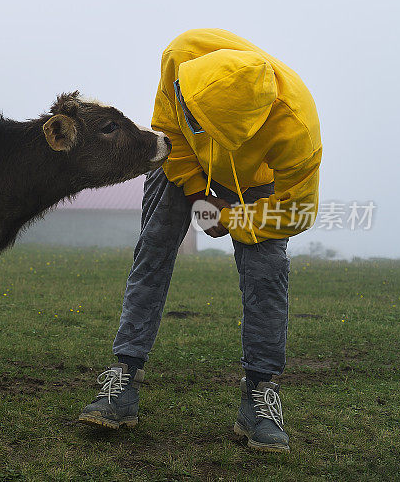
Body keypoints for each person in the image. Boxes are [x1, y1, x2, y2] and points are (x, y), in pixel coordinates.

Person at [78, 29, 322, 453]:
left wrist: (231, 218)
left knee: (267, 273)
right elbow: (169, 127)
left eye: (205, 125)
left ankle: (259, 397)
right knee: (152, 254)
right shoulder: (181, 57)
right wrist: (196, 194)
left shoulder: (296, 127)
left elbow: (298, 209)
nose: (193, 120)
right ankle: (124, 379)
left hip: (253, 185)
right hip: (180, 161)